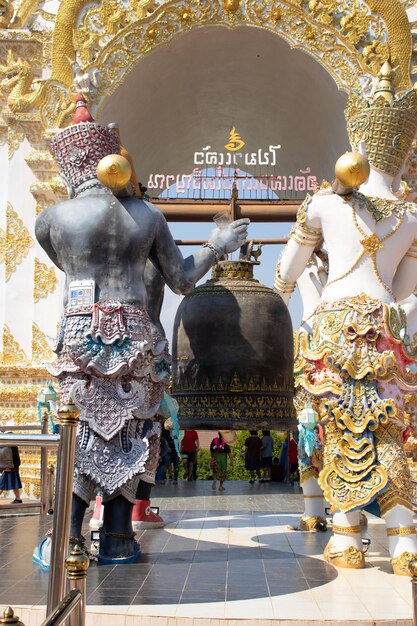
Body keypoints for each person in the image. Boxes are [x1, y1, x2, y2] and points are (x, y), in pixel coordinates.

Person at [35, 103, 249, 563]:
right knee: (131, 431)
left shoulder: (53, 217)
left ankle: (69, 537)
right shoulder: (148, 215)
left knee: (82, 430)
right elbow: (182, 281)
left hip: (81, 334)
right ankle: (117, 538)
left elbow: (65, 265)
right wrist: (218, 245)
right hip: (135, 334)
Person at [274, 62, 417, 574]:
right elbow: (404, 290)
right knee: (391, 428)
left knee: (335, 427)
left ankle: (347, 536)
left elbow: (287, 272)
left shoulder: (322, 204)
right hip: (386, 329)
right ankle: (404, 545)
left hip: (331, 325)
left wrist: (285, 294)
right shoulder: (411, 217)